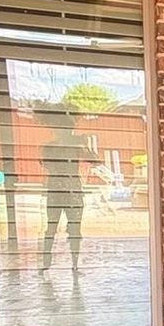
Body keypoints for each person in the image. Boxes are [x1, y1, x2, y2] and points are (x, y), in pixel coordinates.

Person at [37, 108, 97, 274]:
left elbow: (95, 161)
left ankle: (75, 265)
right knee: (51, 227)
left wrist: (84, 145)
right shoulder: (48, 147)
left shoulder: (76, 146)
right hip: (56, 191)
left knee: (75, 229)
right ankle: (46, 262)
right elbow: (47, 165)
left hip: (73, 192)